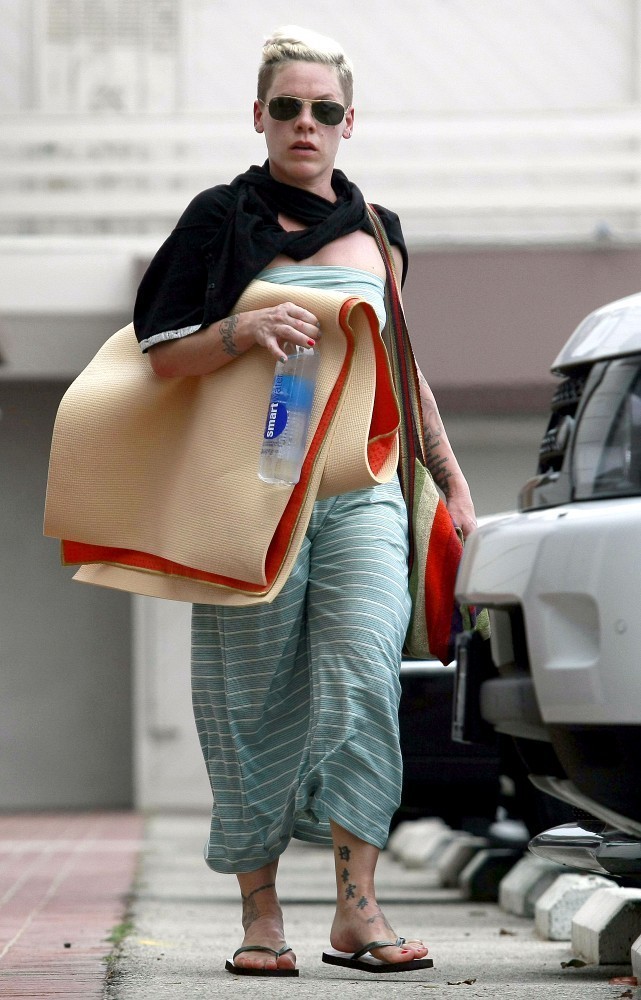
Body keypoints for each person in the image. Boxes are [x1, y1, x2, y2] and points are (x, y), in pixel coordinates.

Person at [133, 25, 477, 977]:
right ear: (259, 115)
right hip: (250, 496)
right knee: (248, 700)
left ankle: (357, 911)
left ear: (348, 122)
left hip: (361, 492)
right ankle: (261, 915)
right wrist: (240, 331)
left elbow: (401, 368)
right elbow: (159, 355)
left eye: (324, 109)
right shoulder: (219, 217)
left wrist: (450, 482)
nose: (305, 124)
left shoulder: (377, 230)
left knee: (364, 676)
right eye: (286, 107)